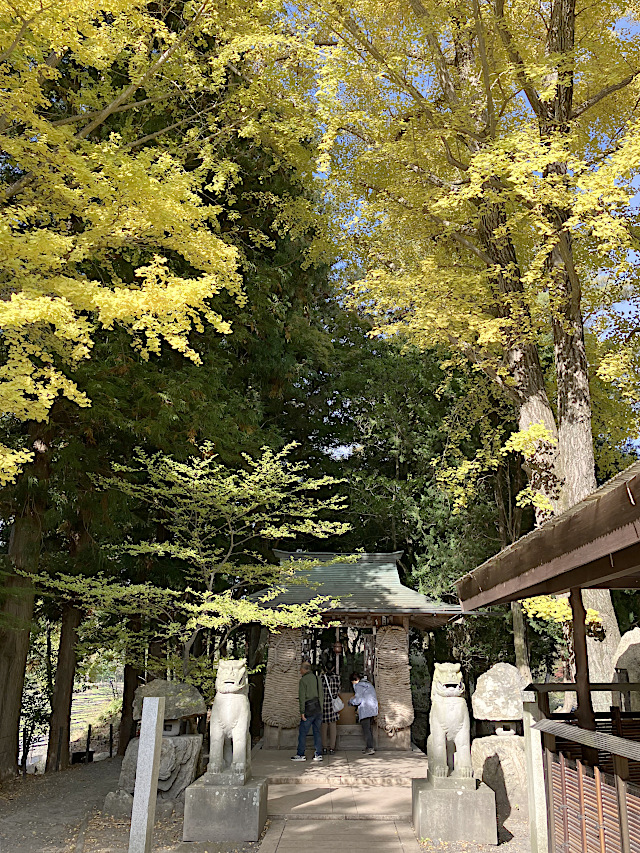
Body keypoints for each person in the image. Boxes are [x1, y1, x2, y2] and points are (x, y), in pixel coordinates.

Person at [291, 660, 323, 761]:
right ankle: (318, 754)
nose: (300, 671)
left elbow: (302, 697)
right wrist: (321, 709)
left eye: (301, 669)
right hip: (318, 709)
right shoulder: (317, 679)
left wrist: (302, 712)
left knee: (303, 733)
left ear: (305, 669)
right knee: (317, 732)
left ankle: (301, 754)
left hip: (308, 710)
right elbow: (321, 695)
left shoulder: (303, 680)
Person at [348, 671, 378, 755]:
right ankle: (370, 746)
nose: (352, 684)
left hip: (365, 709)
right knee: (369, 729)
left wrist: (350, 701)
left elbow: (358, 700)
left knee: (366, 730)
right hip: (372, 709)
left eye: (352, 681)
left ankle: (370, 748)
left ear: (356, 680)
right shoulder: (368, 684)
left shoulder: (359, 686)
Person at [321, 663, 341, 754]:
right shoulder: (337, 678)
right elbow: (339, 690)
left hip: (324, 704)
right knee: (333, 727)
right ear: (333, 668)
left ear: (325, 668)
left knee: (323, 727)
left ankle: (324, 747)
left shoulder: (321, 678)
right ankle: (332, 748)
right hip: (333, 705)